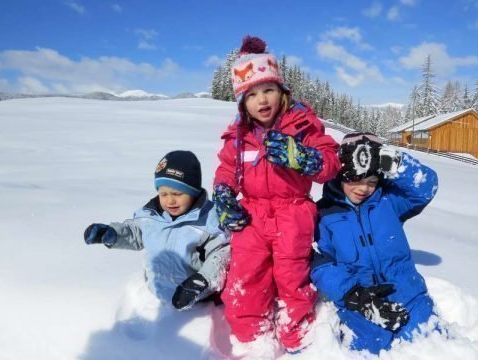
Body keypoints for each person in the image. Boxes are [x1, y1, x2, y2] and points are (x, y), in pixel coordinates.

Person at [213, 35, 341, 354]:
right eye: (252, 94)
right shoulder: (238, 138)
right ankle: (252, 333)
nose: (262, 100)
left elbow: (329, 163)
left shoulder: (302, 126)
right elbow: (227, 169)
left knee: (290, 273)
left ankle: (296, 331)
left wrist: (303, 157)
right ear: (243, 102)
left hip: (293, 213)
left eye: (268, 89)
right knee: (246, 273)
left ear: (282, 92)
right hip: (251, 215)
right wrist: (224, 193)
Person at [310, 132, 439, 354]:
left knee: (434, 347)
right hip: (360, 302)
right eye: (355, 180)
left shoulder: (389, 202)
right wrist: (354, 295)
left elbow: (425, 187)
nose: (363, 189)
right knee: (367, 349)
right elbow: (321, 263)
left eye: (371, 182)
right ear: (340, 175)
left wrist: (390, 159)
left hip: (409, 295)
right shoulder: (324, 213)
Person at [84, 150, 230, 311]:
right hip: (156, 297)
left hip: (196, 302)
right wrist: (112, 234)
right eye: (163, 194)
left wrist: (202, 281)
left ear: (193, 192)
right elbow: (135, 233)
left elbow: (221, 254)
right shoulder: (150, 216)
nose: (170, 200)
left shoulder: (208, 221)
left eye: (177, 193)